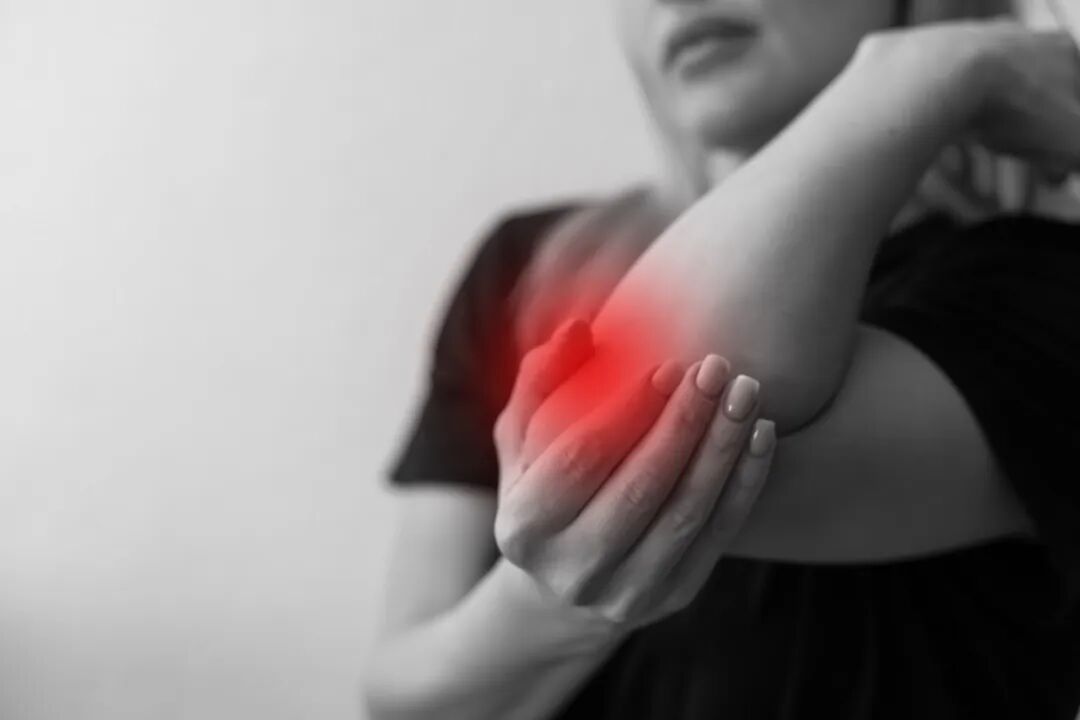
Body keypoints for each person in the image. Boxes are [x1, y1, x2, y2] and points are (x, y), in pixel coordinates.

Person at [364, 0, 1080, 718]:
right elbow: (402, 697)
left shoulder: (1039, 283)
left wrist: (918, 72)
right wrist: (551, 607)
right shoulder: (527, 265)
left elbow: (667, 386)